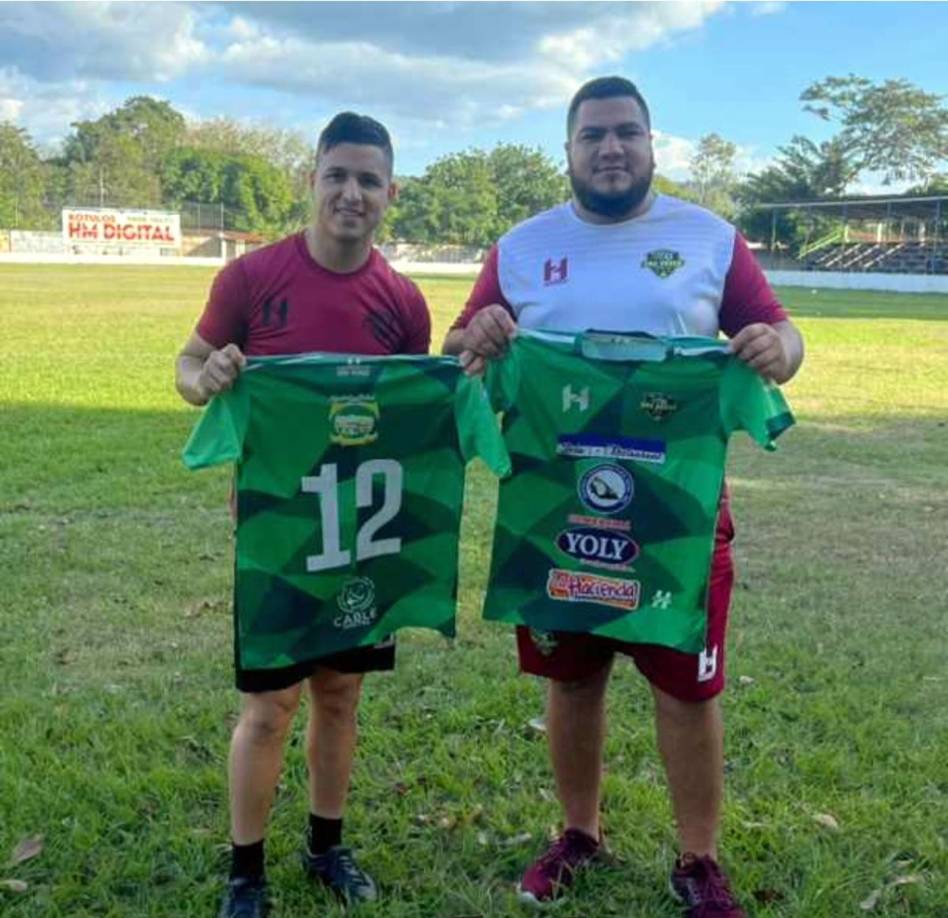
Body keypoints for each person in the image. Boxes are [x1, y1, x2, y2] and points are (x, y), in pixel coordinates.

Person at [443, 76, 804, 917]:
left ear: (650, 142)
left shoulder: (709, 238)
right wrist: (478, 333)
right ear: (568, 150)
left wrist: (774, 348)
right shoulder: (523, 246)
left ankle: (699, 859)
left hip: (677, 514)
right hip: (556, 511)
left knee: (687, 690)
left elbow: (784, 337)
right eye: (593, 134)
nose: (611, 148)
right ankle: (579, 834)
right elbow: (459, 348)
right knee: (572, 684)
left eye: (627, 132)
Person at [176, 112, 430, 918]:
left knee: (341, 695)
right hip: (277, 533)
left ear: (390, 193)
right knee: (270, 705)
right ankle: (245, 872)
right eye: (337, 176)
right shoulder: (251, 279)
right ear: (311, 180)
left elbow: (412, 417)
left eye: (369, 180)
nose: (352, 193)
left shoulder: (403, 301)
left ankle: (327, 846)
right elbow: (188, 365)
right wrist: (207, 376)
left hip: (365, 533)